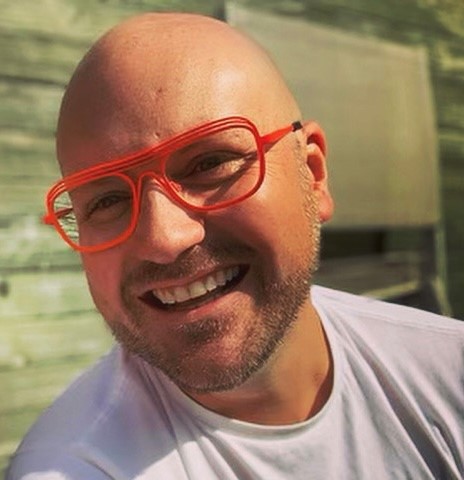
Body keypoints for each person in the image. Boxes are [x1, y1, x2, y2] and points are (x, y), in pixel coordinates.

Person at [6, 12, 464, 480]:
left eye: (211, 162)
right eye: (106, 199)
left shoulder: (449, 375)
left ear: (314, 175)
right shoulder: (72, 468)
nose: (164, 239)